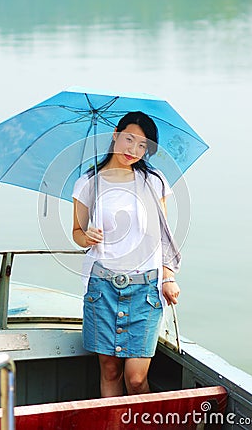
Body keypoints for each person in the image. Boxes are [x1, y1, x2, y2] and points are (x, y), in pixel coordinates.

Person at [72, 111, 181, 398]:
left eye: (142, 145)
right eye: (129, 139)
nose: (134, 150)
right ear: (115, 134)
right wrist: (88, 235)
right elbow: (76, 233)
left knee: (135, 378)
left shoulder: (154, 181)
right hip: (102, 285)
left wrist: (168, 276)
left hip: (145, 287)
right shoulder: (88, 182)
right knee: (110, 370)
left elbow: (164, 236)